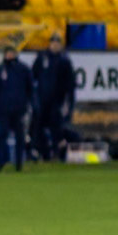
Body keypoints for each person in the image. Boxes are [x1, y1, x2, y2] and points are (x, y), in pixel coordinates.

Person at [30, 32, 76, 161]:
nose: (55, 45)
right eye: (53, 43)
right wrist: (34, 98)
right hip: (42, 100)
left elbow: (70, 85)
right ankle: (41, 153)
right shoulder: (42, 58)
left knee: (57, 129)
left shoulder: (64, 61)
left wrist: (68, 103)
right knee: (38, 128)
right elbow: (33, 78)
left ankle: (59, 154)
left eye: (57, 43)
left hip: (57, 101)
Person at [0, 46, 32, 171]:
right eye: (7, 53)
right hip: (2, 111)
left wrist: (26, 105)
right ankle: (1, 162)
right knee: (1, 137)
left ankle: (19, 163)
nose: (10, 55)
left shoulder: (23, 70)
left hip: (19, 110)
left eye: (12, 53)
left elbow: (30, 89)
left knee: (20, 137)